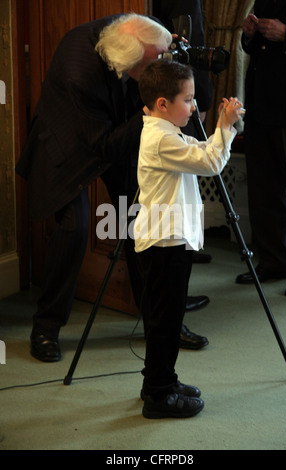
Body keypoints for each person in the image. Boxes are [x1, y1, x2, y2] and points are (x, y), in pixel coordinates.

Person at [15, 13, 207, 363]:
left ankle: (161, 324)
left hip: (118, 134)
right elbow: (101, 146)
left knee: (140, 220)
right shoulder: (80, 72)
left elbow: (151, 59)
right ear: (128, 62)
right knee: (74, 228)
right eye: (154, 61)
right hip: (69, 145)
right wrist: (152, 111)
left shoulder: (133, 31)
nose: (160, 65)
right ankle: (46, 327)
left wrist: (168, 62)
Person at [135, 59, 242, 418]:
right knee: (166, 321)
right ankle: (159, 395)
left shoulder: (165, 129)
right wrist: (225, 127)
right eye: (188, 99)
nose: (194, 105)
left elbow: (201, 149)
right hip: (165, 243)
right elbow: (211, 162)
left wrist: (219, 129)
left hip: (169, 240)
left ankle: (160, 378)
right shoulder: (161, 139)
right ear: (163, 104)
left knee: (167, 317)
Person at [236, 0, 286, 296]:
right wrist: (249, 33)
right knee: (263, 187)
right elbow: (251, 47)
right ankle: (272, 261)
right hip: (261, 100)